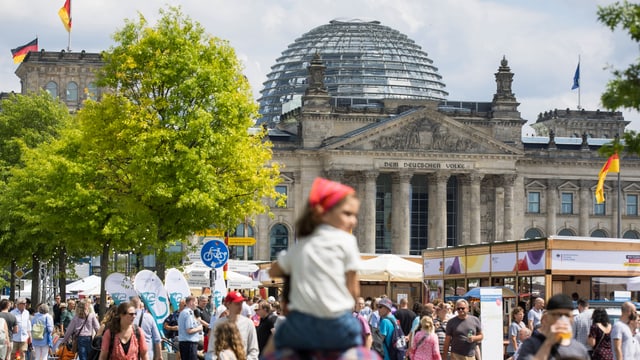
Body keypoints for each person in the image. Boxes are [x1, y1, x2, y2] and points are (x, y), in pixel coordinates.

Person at [267, 177, 362, 351]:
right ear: (323, 213)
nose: (353, 221)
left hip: (300, 325)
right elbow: (353, 286)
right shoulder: (347, 241)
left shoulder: (302, 245)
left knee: (271, 351)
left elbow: (273, 271)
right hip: (337, 323)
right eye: (348, 214)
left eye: (354, 215)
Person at [516, 293, 589, 360]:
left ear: (572, 318)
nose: (563, 319)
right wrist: (548, 343)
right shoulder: (531, 345)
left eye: (567, 315)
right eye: (557, 315)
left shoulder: (579, 349)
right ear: (546, 318)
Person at [205, 291, 258, 360]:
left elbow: (254, 350)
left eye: (241, 303)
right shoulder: (218, 324)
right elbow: (212, 350)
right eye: (237, 303)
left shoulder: (248, 323)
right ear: (228, 304)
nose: (240, 306)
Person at [178, 296, 204, 360]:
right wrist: (199, 328)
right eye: (196, 302)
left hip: (186, 343)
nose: (197, 305)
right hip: (189, 344)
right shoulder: (188, 313)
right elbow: (189, 330)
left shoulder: (184, 312)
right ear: (191, 302)